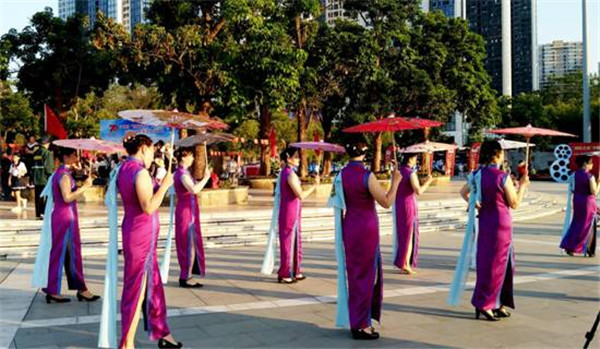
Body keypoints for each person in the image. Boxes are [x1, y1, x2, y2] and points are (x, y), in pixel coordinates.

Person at [329, 139, 401, 340]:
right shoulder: (367, 176)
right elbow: (386, 202)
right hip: (366, 229)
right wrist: (395, 182)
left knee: (355, 274)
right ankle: (362, 324)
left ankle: (357, 320)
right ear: (365, 153)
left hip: (350, 226)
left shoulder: (340, 176)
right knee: (367, 276)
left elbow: (337, 202)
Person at [117, 134, 181, 349]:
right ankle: (126, 343)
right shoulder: (139, 172)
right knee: (137, 290)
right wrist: (165, 186)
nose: (154, 153)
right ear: (143, 148)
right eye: (152, 149)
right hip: (140, 237)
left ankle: (163, 332)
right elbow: (148, 206)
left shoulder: (125, 168)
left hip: (139, 234)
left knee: (153, 286)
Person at [459, 140, 530, 321]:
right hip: (501, 223)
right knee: (498, 264)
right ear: (498, 154)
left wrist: (474, 202)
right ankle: (485, 303)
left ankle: (496, 302)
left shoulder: (477, 174)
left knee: (492, 263)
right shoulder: (502, 177)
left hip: (485, 221)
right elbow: (514, 203)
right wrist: (522, 186)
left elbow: (463, 192)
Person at [43, 147, 99, 303]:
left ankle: (71, 289)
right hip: (66, 217)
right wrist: (85, 187)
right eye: (74, 154)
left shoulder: (60, 173)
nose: (76, 156)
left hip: (62, 216)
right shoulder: (64, 175)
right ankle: (74, 290)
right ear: (66, 157)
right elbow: (67, 197)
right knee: (68, 253)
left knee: (66, 253)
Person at [261, 147, 319, 284]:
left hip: (293, 210)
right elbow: (300, 195)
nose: (299, 159)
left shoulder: (287, 172)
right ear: (288, 158)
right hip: (289, 212)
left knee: (295, 240)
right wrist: (314, 186)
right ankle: (285, 272)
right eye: (296, 156)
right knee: (288, 241)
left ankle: (295, 270)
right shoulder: (289, 174)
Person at [173, 148, 211, 288]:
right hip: (186, 213)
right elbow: (193, 190)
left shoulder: (185, 173)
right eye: (190, 156)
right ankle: (185, 276)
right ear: (183, 157)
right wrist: (206, 178)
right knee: (187, 244)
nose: (193, 159)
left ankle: (187, 274)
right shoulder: (182, 174)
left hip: (191, 211)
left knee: (191, 243)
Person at [393, 153, 433, 275]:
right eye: (415, 158)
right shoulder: (410, 173)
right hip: (408, 204)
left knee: (403, 234)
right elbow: (418, 191)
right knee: (408, 235)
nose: (416, 160)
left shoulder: (398, 172)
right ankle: (405, 264)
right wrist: (428, 182)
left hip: (399, 204)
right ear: (410, 158)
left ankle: (403, 262)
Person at [560, 155, 599, 257]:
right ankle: (588, 249)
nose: (592, 165)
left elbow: (572, 189)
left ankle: (570, 246)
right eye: (591, 163)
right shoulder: (590, 176)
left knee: (576, 224)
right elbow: (594, 192)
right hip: (588, 203)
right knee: (588, 225)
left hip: (577, 201)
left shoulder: (573, 175)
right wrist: (599, 183)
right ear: (586, 164)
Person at [32, 136, 55, 218]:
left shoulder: (35, 153)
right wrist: (52, 177)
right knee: (45, 195)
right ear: (47, 143)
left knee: (38, 196)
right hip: (44, 178)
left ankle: (38, 214)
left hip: (36, 178)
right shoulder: (47, 153)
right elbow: (48, 168)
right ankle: (44, 213)